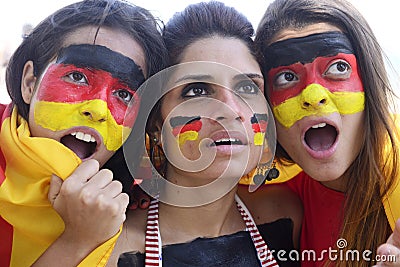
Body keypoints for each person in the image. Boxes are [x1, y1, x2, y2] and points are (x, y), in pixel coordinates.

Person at [107, 2, 302, 266]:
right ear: (155, 124)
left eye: (247, 87)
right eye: (197, 91)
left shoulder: (289, 212)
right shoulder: (113, 247)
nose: (231, 110)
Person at [0, 0, 167, 266]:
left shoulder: (139, 200)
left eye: (124, 94)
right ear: (30, 83)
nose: (99, 109)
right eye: (77, 77)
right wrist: (77, 240)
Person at [254, 0, 400, 266]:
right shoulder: (265, 198)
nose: (313, 96)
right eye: (286, 77)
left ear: (370, 83)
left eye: (338, 68)